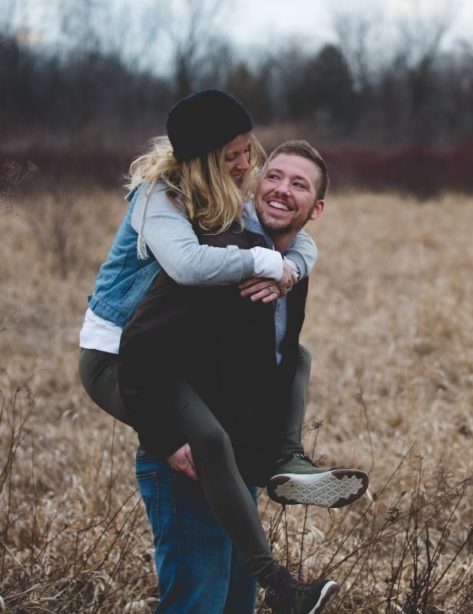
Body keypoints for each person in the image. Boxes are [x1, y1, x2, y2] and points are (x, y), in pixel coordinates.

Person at [78, 90, 367, 612]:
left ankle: (285, 457)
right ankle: (281, 585)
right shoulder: (160, 196)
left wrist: (291, 268)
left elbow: (294, 241)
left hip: (167, 359)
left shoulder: (228, 203)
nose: (248, 164)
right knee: (206, 440)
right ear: (206, 157)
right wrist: (262, 262)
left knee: (297, 358)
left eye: (248, 150)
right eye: (234, 155)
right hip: (119, 348)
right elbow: (188, 268)